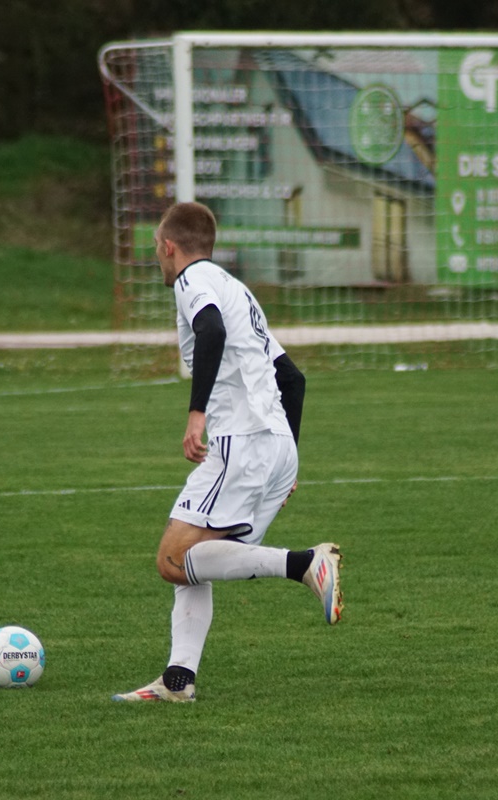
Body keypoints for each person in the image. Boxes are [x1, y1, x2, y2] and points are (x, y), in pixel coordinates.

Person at [112, 201, 342, 703]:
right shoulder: (239, 290)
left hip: (241, 441)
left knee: (173, 560)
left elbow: (210, 330)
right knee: (196, 557)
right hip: (275, 446)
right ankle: (178, 681)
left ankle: (304, 563)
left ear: (169, 247)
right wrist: (288, 460)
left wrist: (197, 414)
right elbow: (292, 379)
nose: (158, 256)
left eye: (157, 248)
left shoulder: (192, 280)